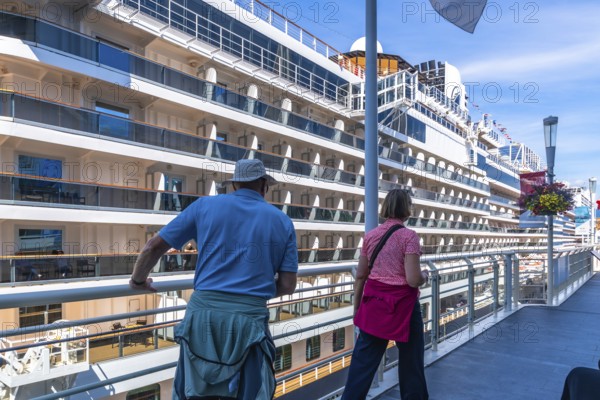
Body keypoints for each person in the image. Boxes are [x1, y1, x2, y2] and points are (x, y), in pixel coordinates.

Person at [129, 159, 298, 400]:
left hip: (201, 317)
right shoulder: (282, 221)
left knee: (194, 390)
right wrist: (251, 292)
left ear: (235, 185)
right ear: (264, 186)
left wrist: (138, 281)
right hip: (248, 321)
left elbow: (152, 246)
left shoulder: (204, 206)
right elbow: (287, 286)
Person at [341, 189, 429, 400]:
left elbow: (361, 275)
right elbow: (412, 279)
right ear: (406, 208)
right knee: (411, 363)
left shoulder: (371, 236)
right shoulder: (409, 237)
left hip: (375, 305)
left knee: (362, 364)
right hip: (404, 307)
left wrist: (357, 310)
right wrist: (424, 275)